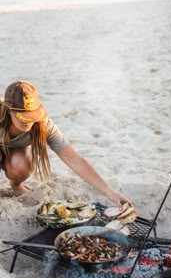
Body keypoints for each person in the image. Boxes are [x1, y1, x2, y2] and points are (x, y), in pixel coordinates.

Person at [0, 80, 131, 208]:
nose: (29, 121)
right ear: (9, 110)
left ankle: (16, 185)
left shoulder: (42, 124)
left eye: (32, 115)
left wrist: (110, 191)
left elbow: (74, 159)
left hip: (15, 153)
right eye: (23, 116)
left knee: (21, 163)